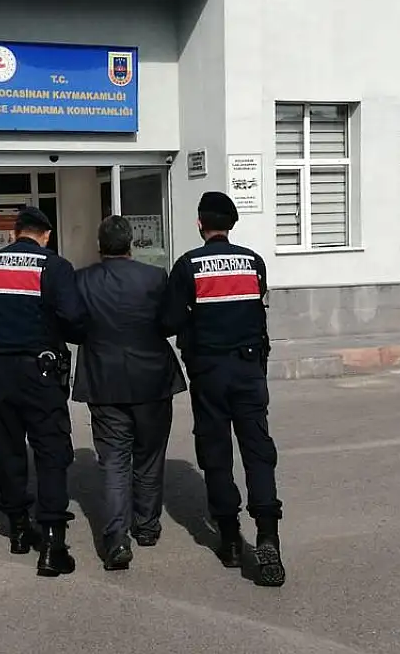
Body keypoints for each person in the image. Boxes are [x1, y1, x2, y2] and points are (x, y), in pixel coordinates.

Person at [160, 191, 286, 588]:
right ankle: (267, 536)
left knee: (216, 453)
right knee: (258, 452)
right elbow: (259, 317)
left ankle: (230, 539)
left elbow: (168, 321)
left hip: (209, 372)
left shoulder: (188, 265)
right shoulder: (253, 262)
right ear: (231, 224)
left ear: (200, 223)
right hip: (249, 369)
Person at [0, 206, 87, 578]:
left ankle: (19, 531)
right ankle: (53, 545)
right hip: (41, 372)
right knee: (51, 451)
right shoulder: (55, 267)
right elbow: (73, 319)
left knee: (7, 449)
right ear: (47, 235)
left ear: (14, 233)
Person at [72, 215, 186, 572]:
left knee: (114, 462)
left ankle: (117, 539)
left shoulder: (82, 279)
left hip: (104, 380)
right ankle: (147, 527)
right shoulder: (154, 277)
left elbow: (72, 325)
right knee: (149, 456)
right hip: (152, 379)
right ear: (131, 243)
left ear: (99, 246)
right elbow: (170, 322)